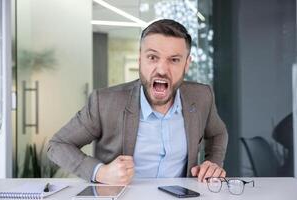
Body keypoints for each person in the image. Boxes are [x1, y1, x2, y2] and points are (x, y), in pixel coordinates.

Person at [47, 19, 228, 185]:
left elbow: (218, 133)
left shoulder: (202, 96)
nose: (162, 70)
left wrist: (212, 162)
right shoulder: (104, 103)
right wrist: (100, 172)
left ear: (187, 64)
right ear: (140, 59)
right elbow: (58, 145)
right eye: (152, 57)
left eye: (174, 60)